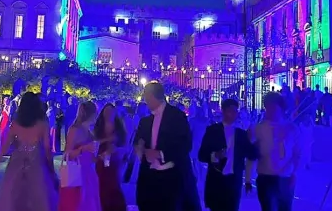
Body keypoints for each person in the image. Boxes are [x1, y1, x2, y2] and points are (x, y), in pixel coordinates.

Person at [133, 81, 200, 211]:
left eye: (146, 97)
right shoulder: (145, 121)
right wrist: (140, 149)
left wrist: (160, 154)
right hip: (150, 180)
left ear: (152, 96)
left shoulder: (177, 116)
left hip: (172, 179)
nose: (145, 101)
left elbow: (185, 145)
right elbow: (138, 142)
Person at [0, 92, 58, 211]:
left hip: (17, 162)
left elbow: (6, 146)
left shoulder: (16, 124)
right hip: (36, 161)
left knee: (12, 197)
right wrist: (51, 168)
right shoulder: (42, 124)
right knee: (37, 197)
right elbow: (47, 148)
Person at [198, 99, 258, 211]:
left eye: (235, 111)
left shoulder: (241, 134)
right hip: (216, 181)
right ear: (223, 111)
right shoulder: (213, 131)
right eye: (230, 111)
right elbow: (201, 154)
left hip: (233, 182)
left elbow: (252, 154)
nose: (233, 114)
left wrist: (253, 139)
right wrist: (215, 155)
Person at [253, 92, 301, 211]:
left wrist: (295, 174)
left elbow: (298, 154)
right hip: (265, 176)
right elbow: (252, 151)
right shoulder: (258, 128)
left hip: (285, 177)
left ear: (281, 108)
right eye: (267, 108)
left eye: (273, 108)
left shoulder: (291, 129)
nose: (270, 111)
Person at [60, 101, 101, 211]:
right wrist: (83, 149)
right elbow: (67, 155)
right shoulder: (75, 130)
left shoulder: (88, 131)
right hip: (76, 173)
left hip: (88, 172)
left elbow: (90, 157)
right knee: (78, 203)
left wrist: (98, 157)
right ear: (92, 114)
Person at [94, 103, 128, 211]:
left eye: (111, 111)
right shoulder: (98, 127)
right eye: (106, 111)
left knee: (114, 184)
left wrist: (116, 150)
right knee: (102, 183)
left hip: (114, 160)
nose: (109, 113)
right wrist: (107, 140)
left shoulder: (120, 128)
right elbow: (94, 142)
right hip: (101, 159)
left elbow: (126, 147)